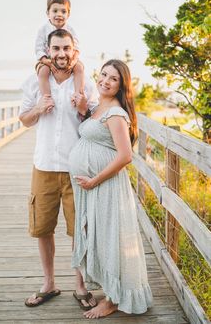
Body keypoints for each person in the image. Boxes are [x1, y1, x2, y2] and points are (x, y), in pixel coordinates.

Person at [19, 28, 98, 308]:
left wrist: (85, 107)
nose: (62, 54)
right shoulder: (34, 82)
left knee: (79, 229)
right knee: (42, 228)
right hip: (43, 165)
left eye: (66, 48)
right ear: (48, 51)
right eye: (56, 48)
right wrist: (39, 109)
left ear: (74, 50)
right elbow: (25, 120)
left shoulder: (86, 84)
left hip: (77, 168)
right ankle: (49, 284)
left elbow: (96, 123)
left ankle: (80, 285)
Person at [69, 59, 153, 319]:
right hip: (92, 188)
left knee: (109, 239)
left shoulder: (116, 113)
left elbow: (125, 156)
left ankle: (114, 299)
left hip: (105, 187)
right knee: (100, 237)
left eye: (113, 78)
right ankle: (111, 292)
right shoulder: (98, 108)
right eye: (103, 74)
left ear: (121, 85)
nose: (105, 80)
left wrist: (94, 181)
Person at [35, 0, 84, 108]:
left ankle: (78, 94)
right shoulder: (43, 29)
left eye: (63, 11)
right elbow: (38, 47)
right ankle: (46, 98)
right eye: (55, 11)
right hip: (47, 60)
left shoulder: (70, 29)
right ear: (48, 13)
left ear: (68, 14)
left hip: (68, 59)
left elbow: (76, 47)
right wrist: (45, 60)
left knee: (79, 68)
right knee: (43, 72)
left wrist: (73, 60)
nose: (59, 14)